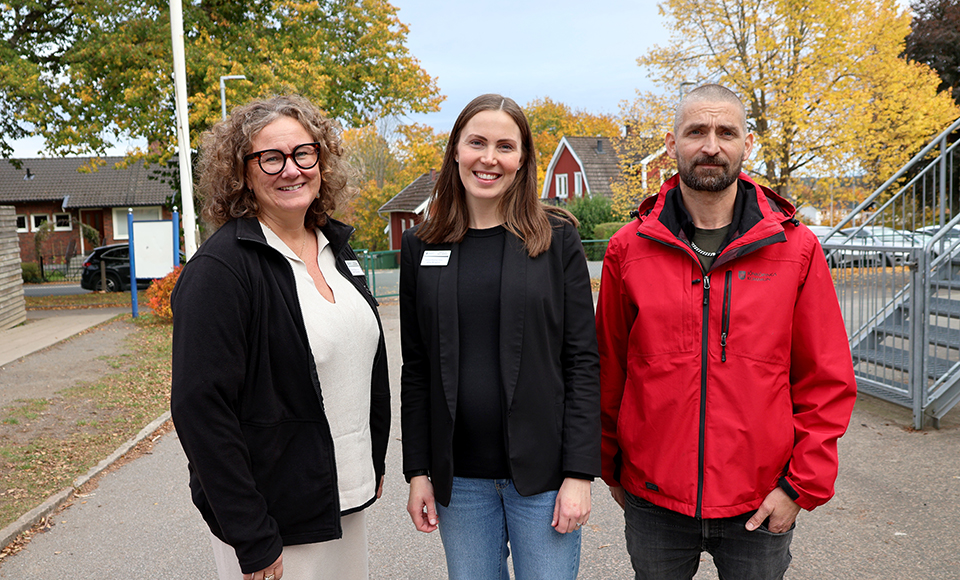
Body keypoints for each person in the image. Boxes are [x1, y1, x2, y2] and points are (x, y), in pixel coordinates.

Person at [596, 84, 857, 580]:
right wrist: (610, 465)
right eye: (696, 131)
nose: (711, 146)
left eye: (726, 133)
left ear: (747, 144)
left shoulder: (795, 249)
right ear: (672, 144)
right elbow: (609, 369)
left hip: (760, 499)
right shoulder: (628, 249)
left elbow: (826, 378)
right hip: (654, 499)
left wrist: (799, 486)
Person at [170, 95, 390, 580]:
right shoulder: (221, 270)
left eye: (303, 153)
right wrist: (252, 535)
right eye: (270, 158)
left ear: (321, 161)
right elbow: (200, 410)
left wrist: (371, 463)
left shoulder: (337, 250)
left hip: (342, 501)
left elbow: (361, 366)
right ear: (242, 173)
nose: (291, 170)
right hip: (275, 521)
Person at [399, 93, 601, 580]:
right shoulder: (421, 245)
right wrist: (418, 471)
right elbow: (417, 368)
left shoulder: (556, 240)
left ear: (522, 159)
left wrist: (579, 473)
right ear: (456, 150)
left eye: (505, 146)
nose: (489, 158)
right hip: (461, 480)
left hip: (544, 478)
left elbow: (582, 362)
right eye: (477, 143)